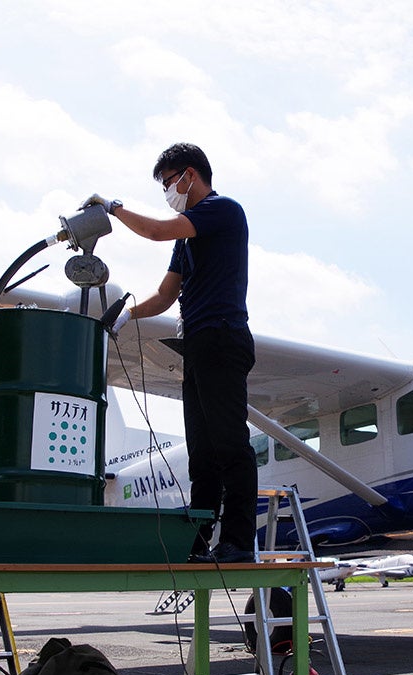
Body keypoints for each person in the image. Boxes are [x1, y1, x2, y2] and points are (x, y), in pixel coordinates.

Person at [85, 143, 256, 563]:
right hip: (197, 344)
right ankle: (197, 541)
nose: (168, 190)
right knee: (201, 450)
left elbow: (156, 229)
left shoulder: (222, 210)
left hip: (223, 336)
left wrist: (113, 208)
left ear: (190, 176)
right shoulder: (188, 238)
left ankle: (238, 542)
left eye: (169, 182)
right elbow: (165, 295)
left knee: (230, 443)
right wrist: (126, 316)